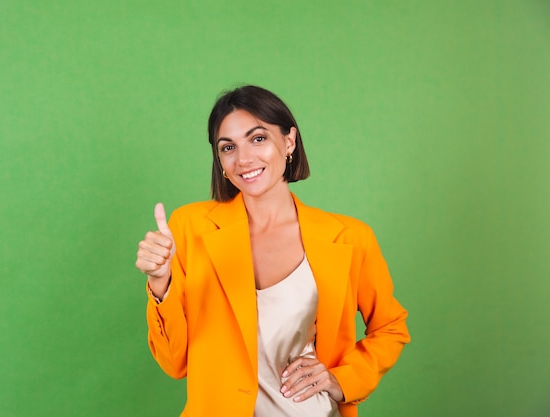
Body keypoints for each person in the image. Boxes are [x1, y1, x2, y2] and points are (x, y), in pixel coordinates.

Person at [135, 85, 410, 417]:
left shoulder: (349, 237)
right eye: (228, 147)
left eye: (258, 138)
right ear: (220, 160)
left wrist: (342, 379)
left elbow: (391, 327)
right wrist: (160, 283)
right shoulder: (190, 229)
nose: (244, 159)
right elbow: (174, 362)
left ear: (289, 141)